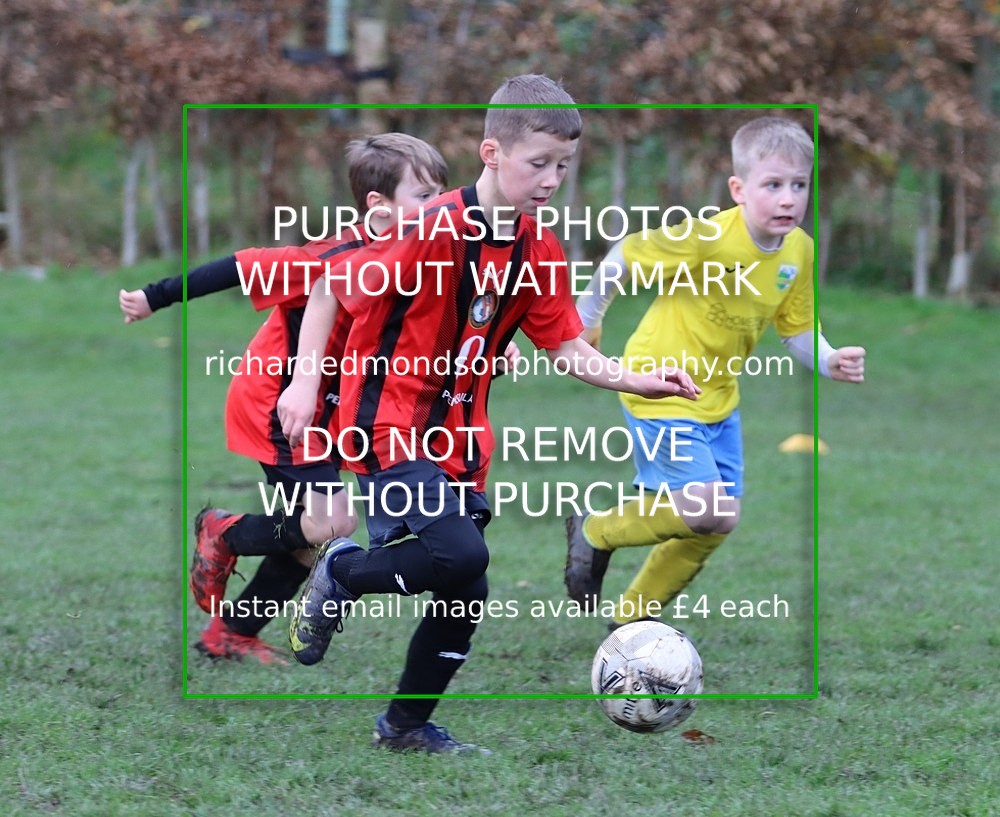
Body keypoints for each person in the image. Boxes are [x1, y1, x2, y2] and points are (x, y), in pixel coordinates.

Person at [275, 74, 700, 754]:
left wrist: (639, 379)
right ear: (491, 153)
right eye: (539, 162)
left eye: (563, 165)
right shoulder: (431, 227)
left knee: (465, 587)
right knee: (460, 550)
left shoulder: (539, 248)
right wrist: (302, 383)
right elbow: (329, 283)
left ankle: (405, 726)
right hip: (383, 419)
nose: (552, 178)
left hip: (459, 437)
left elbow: (565, 346)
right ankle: (343, 572)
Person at [119, 133, 449, 663]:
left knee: (305, 537)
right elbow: (240, 265)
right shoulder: (332, 255)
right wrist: (153, 297)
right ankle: (223, 531)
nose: (438, 208)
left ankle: (230, 634)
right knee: (333, 524)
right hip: (279, 403)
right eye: (425, 197)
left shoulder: (419, 253)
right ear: (379, 205)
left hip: (328, 411)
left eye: (441, 195)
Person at [564, 115, 866, 630]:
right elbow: (621, 259)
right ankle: (595, 531)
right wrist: (584, 324)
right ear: (739, 189)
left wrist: (828, 357)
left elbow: (794, 331)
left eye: (799, 185)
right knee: (710, 509)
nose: (788, 199)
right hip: (658, 384)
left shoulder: (799, 251)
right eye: (772, 185)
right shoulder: (707, 238)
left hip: (719, 400)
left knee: (715, 524)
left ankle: (630, 623)